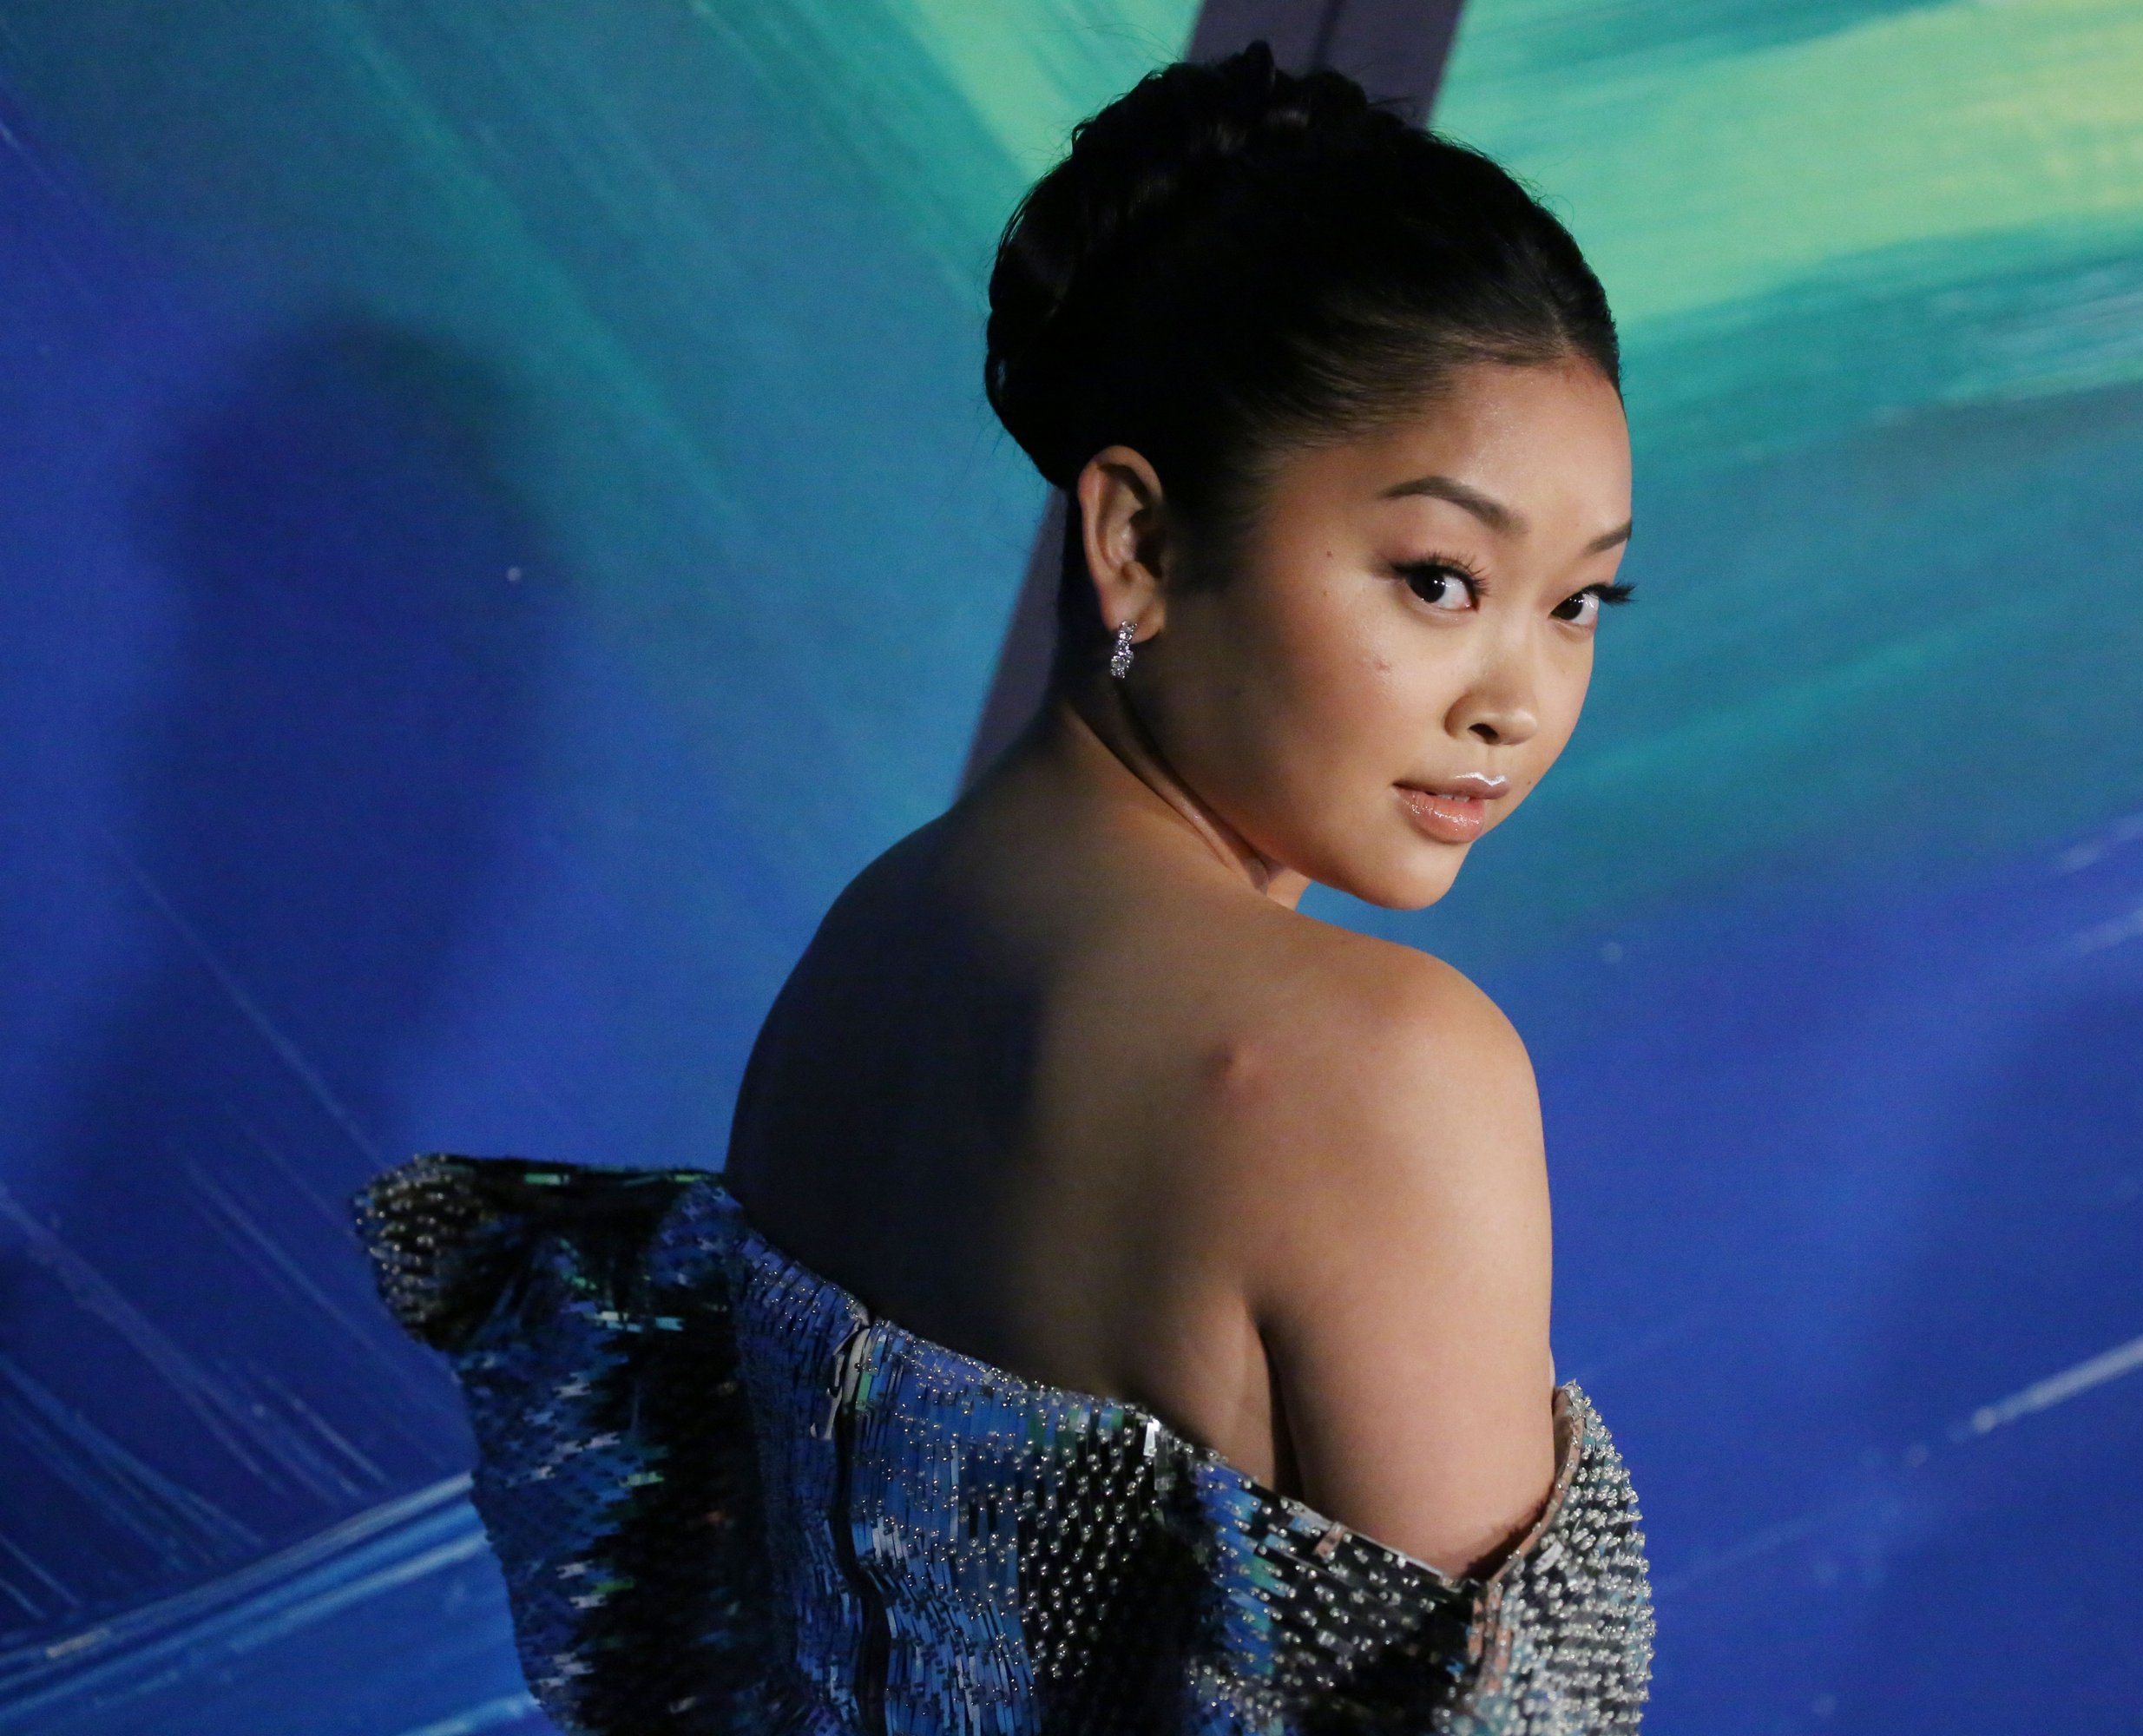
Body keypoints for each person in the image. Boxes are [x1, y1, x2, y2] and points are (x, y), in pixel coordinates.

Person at [358, 43, 1652, 1734]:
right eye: (1439, 578)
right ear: (1139, 543)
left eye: (1580, 603)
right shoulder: (1382, 1066)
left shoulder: (875, 947)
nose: (1519, 698)